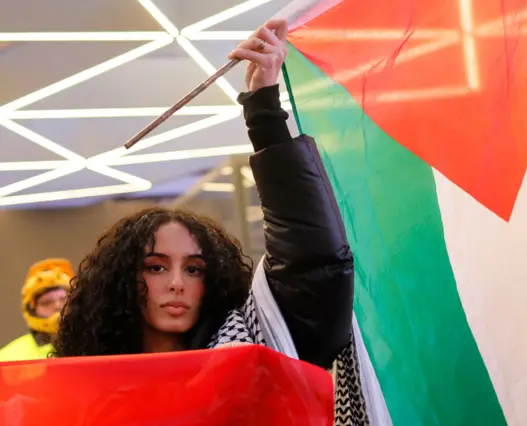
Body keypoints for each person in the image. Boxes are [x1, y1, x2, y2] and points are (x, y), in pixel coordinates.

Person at [53, 19, 383, 425]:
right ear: (118, 282)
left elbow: (315, 266)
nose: (177, 282)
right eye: (156, 267)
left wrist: (264, 112)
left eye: (194, 269)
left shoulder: (251, 353)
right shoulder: (79, 397)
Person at [0, 258, 71, 362]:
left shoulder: (92, 344)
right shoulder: (6, 358)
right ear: (32, 310)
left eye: (64, 299)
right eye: (47, 302)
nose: (58, 306)